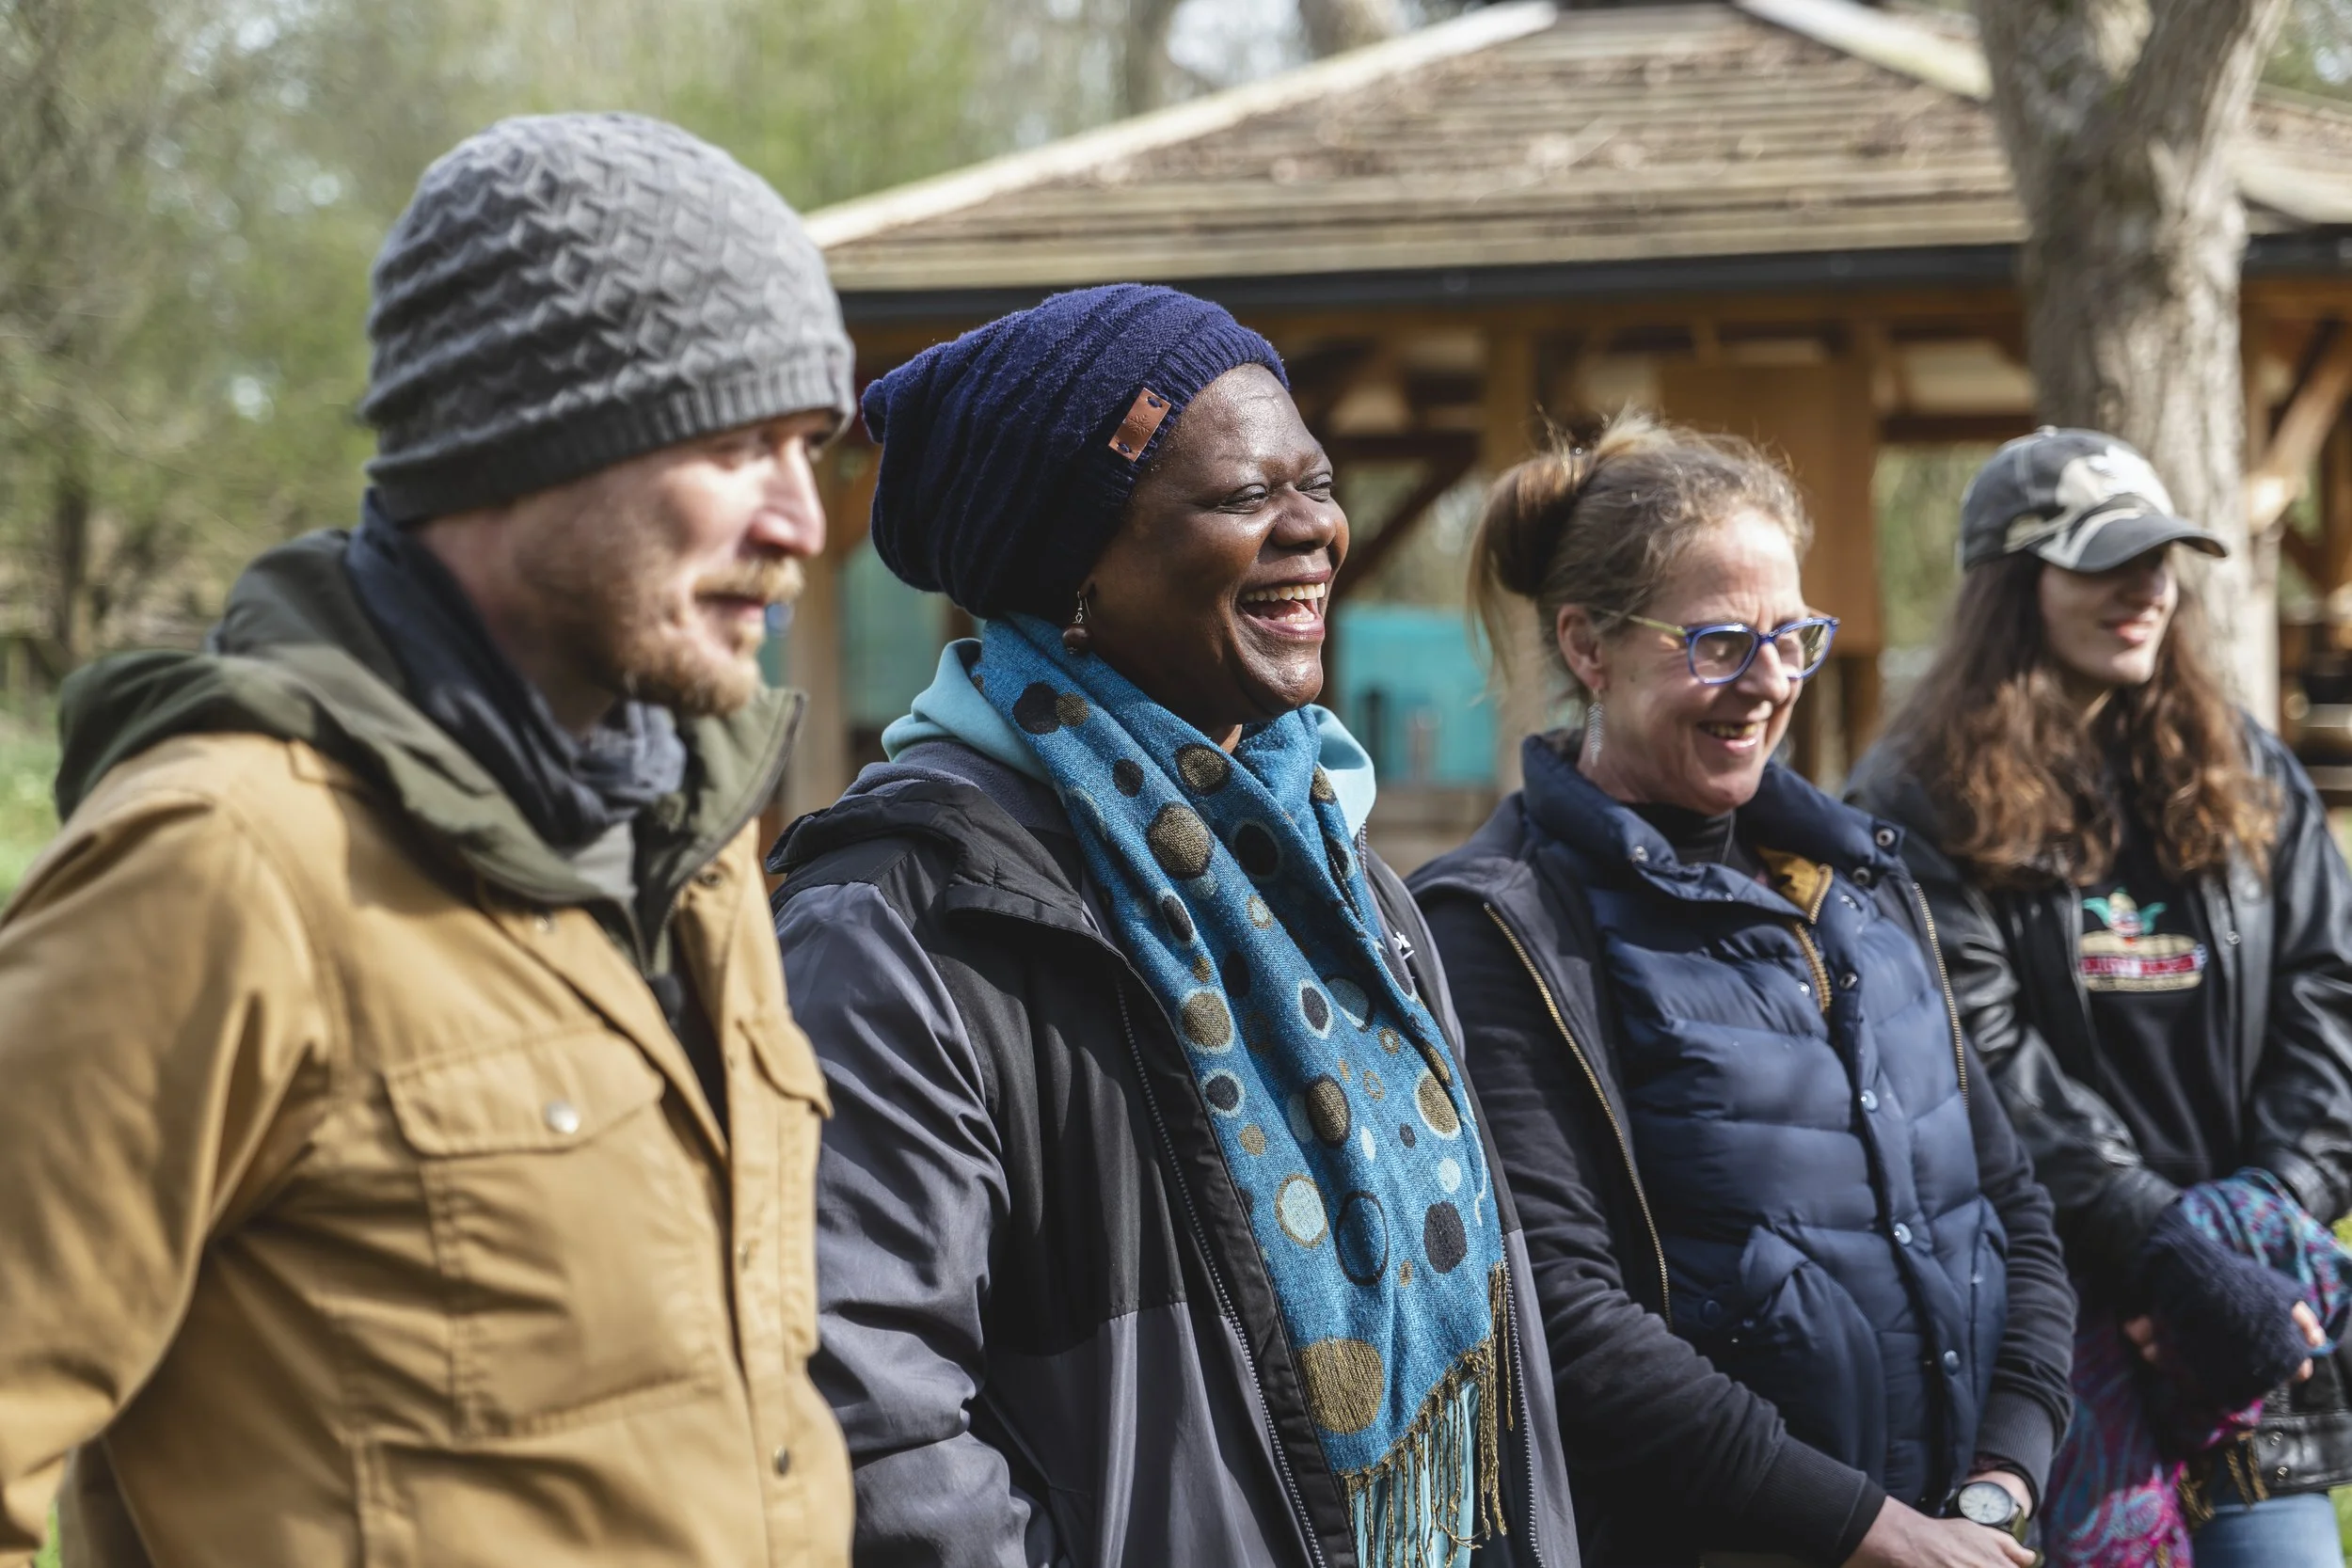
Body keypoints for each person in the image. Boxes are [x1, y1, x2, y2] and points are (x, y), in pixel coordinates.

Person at [0, 114, 854, 1567]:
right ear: (518, 444)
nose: (806, 519)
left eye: (811, 444)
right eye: (736, 442)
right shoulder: (226, 860)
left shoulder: (696, 840)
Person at [770, 283, 1578, 1568]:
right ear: (1072, 569)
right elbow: (859, 1405)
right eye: (1240, 498)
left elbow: (1498, 1335)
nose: (1314, 527)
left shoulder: (1354, 888)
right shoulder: (903, 917)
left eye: (1315, 482)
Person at [1407, 413, 2076, 1568]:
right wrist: (1867, 1530)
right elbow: (1560, 1308)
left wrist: (2003, 1478)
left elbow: (2010, 1209)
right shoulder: (1501, 924)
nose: (1766, 683)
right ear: (1586, 646)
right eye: (1716, 641)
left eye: (1791, 636)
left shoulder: (1861, 882)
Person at [1849, 427, 2352, 1568]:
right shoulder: (1912, 802)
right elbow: (1969, 1057)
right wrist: (2157, 1251)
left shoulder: (2250, 770)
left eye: (2162, 558)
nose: (2148, 587)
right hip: (2052, 1329)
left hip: (2248, 1312)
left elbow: (2333, 998)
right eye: (2106, 558)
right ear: (2013, 586)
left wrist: (2253, 1225)